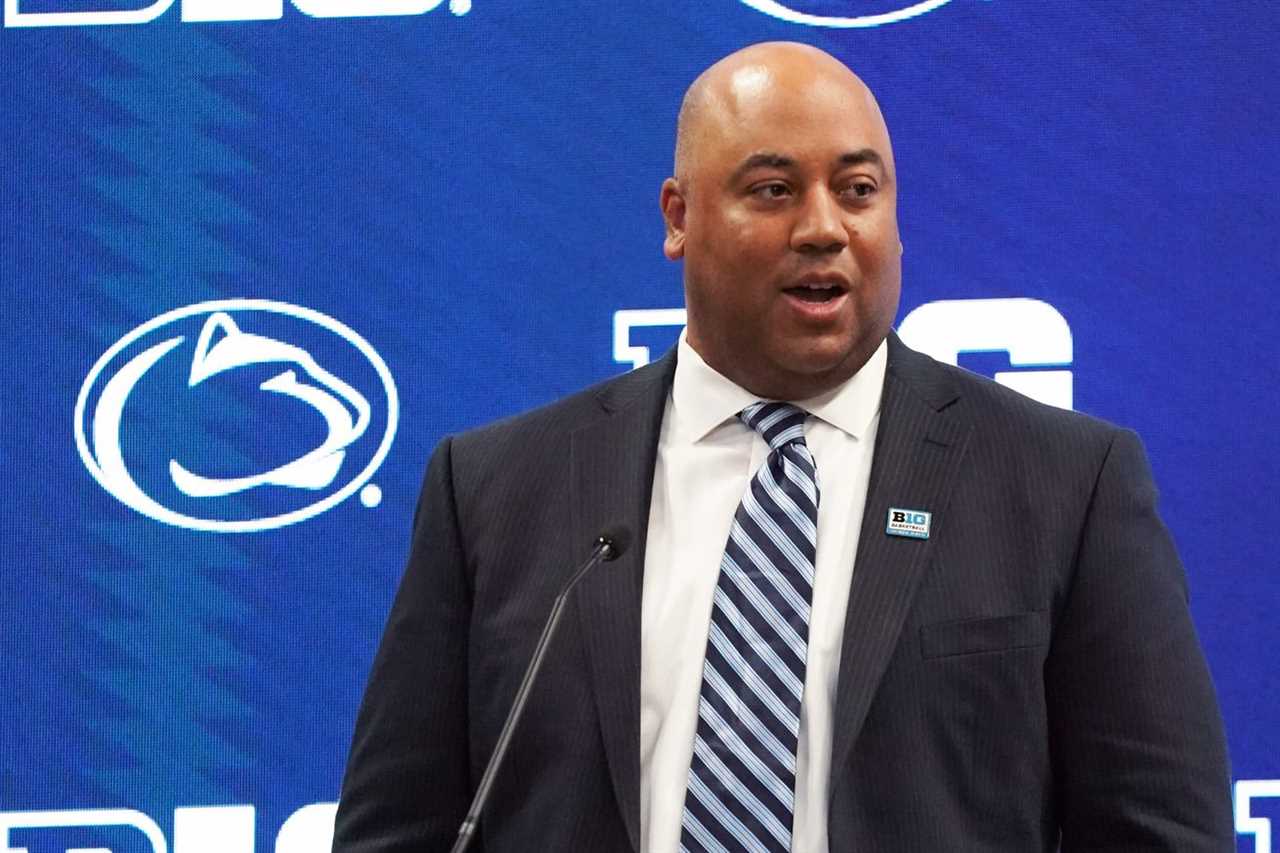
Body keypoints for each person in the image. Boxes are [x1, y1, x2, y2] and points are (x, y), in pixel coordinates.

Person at [332, 42, 1233, 852]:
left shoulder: (1063, 484)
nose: (824, 228)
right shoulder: (496, 490)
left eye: (858, 190)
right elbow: (397, 828)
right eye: (773, 189)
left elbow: (1161, 832)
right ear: (679, 216)